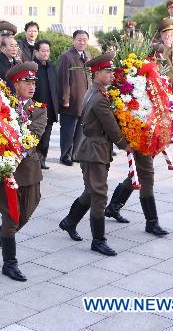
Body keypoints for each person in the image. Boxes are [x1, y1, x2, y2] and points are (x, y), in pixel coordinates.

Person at [58, 52, 131, 256]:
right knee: (99, 194)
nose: (111, 74)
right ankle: (98, 241)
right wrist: (125, 145)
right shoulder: (99, 97)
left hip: (94, 148)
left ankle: (70, 221)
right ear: (97, 73)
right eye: (107, 71)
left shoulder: (96, 91)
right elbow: (111, 128)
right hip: (94, 150)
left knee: (92, 191)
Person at [0, 62, 47, 281]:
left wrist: (14, 143)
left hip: (29, 169)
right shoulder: (1, 107)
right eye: (25, 82)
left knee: (25, 214)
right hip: (7, 170)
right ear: (15, 84)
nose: (31, 86)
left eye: (33, 82)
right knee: (11, 218)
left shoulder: (39, 109)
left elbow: (33, 137)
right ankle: (10, 264)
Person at [57, 30, 92, 166]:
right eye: (79, 39)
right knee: (68, 130)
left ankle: (76, 154)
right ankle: (65, 155)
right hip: (71, 100)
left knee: (80, 130)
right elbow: (63, 79)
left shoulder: (87, 56)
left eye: (84, 39)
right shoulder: (67, 56)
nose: (82, 42)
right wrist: (65, 99)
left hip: (84, 99)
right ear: (73, 41)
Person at [32, 40, 59, 170]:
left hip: (50, 108)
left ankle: (43, 159)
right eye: (43, 51)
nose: (45, 53)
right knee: (37, 135)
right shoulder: (32, 67)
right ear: (36, 51)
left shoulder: (51, 67)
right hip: (36, 108)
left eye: (47, 51)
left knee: (47, 135)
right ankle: (34, 160)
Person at [153, 23, 173, 104]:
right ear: (161, 35)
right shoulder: (158, 47)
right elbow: (158, 61)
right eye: (166, 34)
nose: (168, 36)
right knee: (164, 106)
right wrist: (166, 46)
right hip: (163, 82)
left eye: (170, 34)